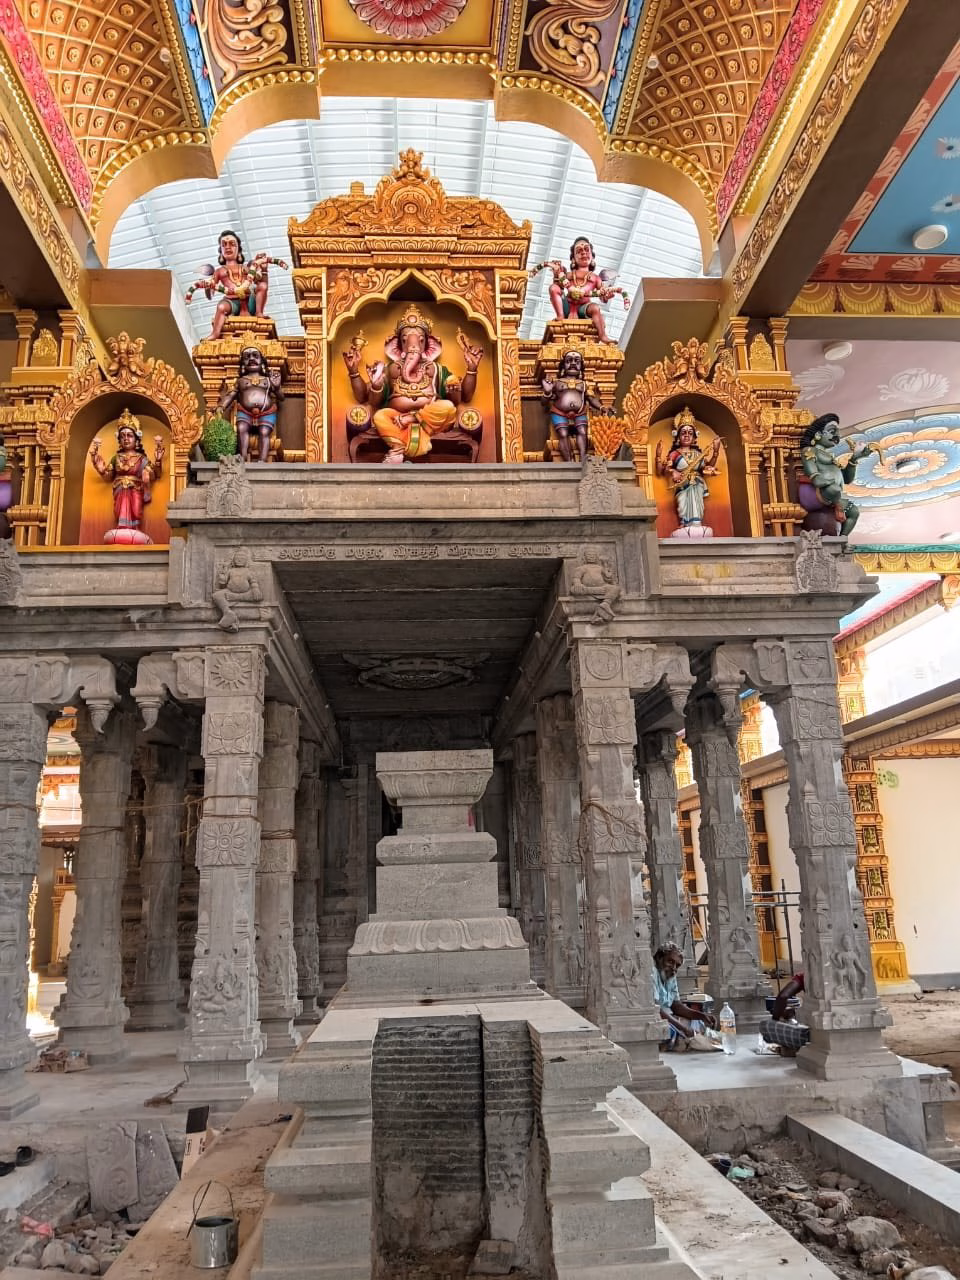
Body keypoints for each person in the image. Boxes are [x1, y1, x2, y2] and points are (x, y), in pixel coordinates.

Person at [343, 310, 483, 464]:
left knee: (448, 407)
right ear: (398, 345)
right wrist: (357, 373)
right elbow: (366, 399)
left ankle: (407, 431)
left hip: (430, 421)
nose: (413, 346)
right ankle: (398, 448)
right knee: (379, 416)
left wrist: (471, 370)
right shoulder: (391, 369)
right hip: (397, 419)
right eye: (405, 340)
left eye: (420, 340)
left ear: (428, 345)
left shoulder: (437, 369)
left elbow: (462, 398)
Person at [88, 408, 164, 541]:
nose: (126, 439)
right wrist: (99, 468)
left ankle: (135, 528)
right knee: (120, 510)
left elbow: (155, 475)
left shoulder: (141, 458)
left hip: (135, 489)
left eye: (129, 435)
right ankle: (122, 527)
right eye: (122, 436)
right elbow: (108, 476)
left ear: (137, 439)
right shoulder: (116, 458)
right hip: (119, 489)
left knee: (135, 510)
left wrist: (158, 461)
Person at [799, 413, 878, 536]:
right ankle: (837, 503)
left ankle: (843, 539)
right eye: (832, 431)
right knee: (834, 489)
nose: (837, 435)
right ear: (818, 434)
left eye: (837, 432)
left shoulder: (831, 457)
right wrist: (818, 478)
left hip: (832, 494)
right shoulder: (810, 450)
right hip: (818, 492)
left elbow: (847, 479)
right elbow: (812, 470)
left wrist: (854, 458)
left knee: (854, 512)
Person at [537, 236, 627, 344]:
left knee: (595, 308)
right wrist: (556, 274)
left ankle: (603, 336)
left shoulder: (596, 278)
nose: (584, 253)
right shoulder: (568, 275)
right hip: (567, 305)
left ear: (592, 257)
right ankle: (560, 316)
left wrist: (606, 296)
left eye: (587, 250)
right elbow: (558, 288)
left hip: (584, 307)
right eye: (579, 251)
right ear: (573, 259)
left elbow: (602, 295)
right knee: (553, 287)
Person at [655, 407, 722, 531]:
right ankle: (684, 523)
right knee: (683, 505)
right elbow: (662, 471)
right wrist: (671, 469)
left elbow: (707, 466)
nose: (686, 435)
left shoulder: (698, 454)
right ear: (678, 436)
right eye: (683, 433)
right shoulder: (674, 454)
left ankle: (696, 524)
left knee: (698, 506)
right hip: (683, 485)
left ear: (695, 437)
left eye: (690, 433)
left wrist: (716, 451)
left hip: (697, 484)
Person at [219, 346, 283, 462]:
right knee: (241, 428)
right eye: (247, 357)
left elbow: (281, 397)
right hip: (245, 412)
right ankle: (242, 458)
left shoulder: (268, 380)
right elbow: (231, 395)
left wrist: (277, 387)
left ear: (262, 361)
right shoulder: (241, 381)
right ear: (243, 364)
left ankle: (262, 460)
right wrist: (221, 406)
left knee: (264, 432)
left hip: (266, 413)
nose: (251, 359)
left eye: (255, 356)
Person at [541, 348, 603, 462]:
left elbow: (591, 398)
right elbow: (543, 402)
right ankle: (569, 461)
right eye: (569, 360)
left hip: (580, 413)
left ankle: (583, 458)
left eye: (577, 361)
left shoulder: (584, 384)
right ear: (563, 365)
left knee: (582, 431)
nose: (573, 363)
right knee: (563, 434)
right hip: (559, 412)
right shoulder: (557, 383)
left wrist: (602, 407)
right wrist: (547, 392)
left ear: (581, 366)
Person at [652, 943, 717, 1050]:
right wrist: (683, 1028)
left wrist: (702, 1016)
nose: (673, 968)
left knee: (698, 1022)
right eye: (670, 961)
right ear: (659, 958)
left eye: (677, 965)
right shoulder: (652, 972)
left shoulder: (670, 975)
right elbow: (656, 1010)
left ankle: (686, 1039)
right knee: (669, 1030)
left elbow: (676, 1005)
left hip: (669, 1017)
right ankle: (682, 1040)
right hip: (656, 1018)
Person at [758, 973, 810, 1056]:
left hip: (810, 1039)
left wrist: (775, 1019)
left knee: (765, 1026)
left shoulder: (807, 975)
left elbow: (783, 996)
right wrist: (794, 1012)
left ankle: (798, 1049)